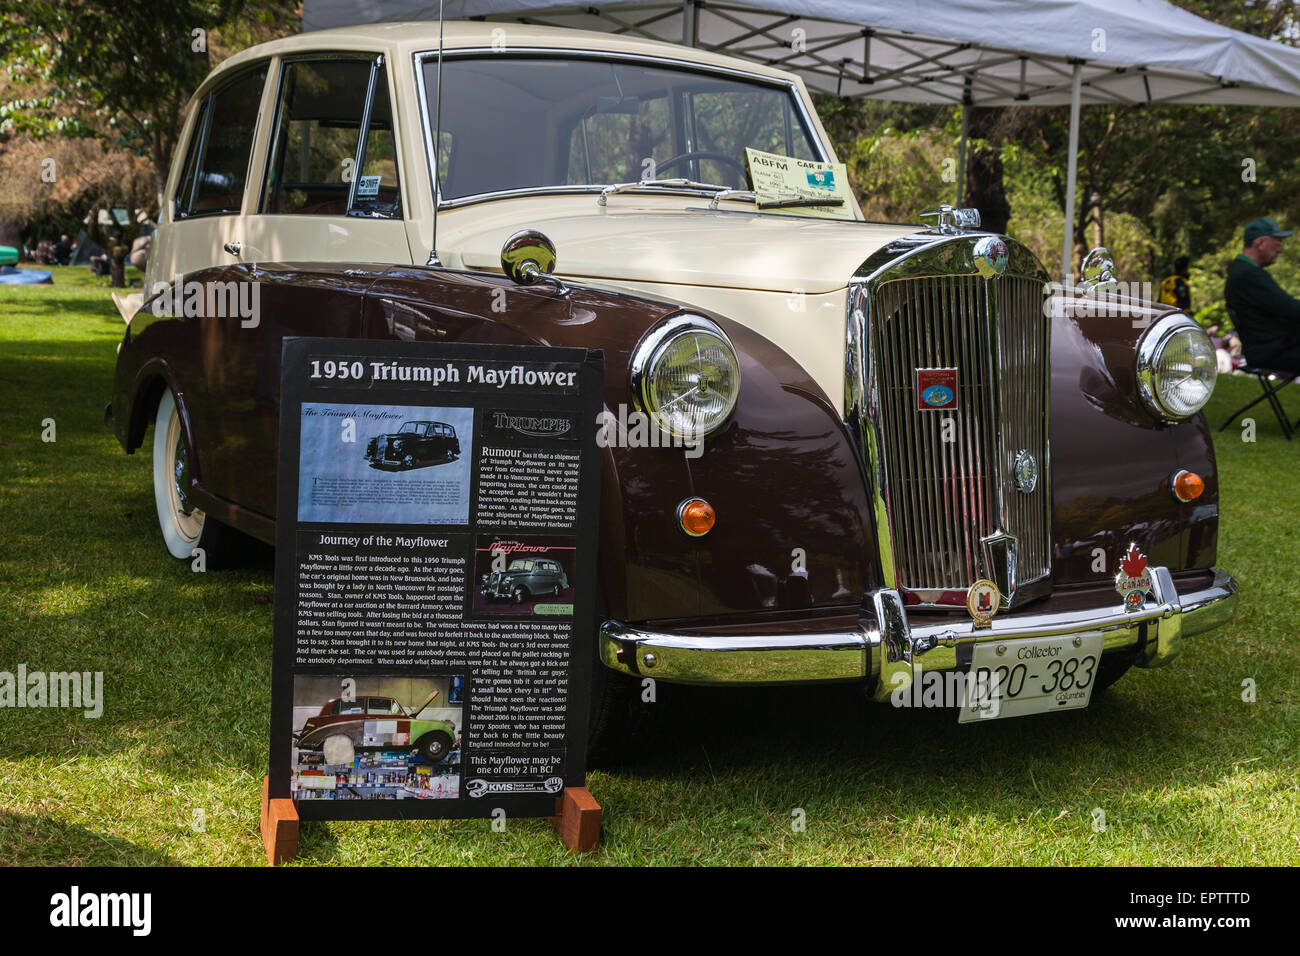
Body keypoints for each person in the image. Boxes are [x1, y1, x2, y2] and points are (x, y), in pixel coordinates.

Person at [1223, 217, 1300, 373]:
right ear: (1260, 243)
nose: (1280, 249)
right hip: (1272, 351)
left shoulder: (1241, 270)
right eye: (1277, 243)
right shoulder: (1249, 274)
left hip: (1268, 348)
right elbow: (1291, 308)